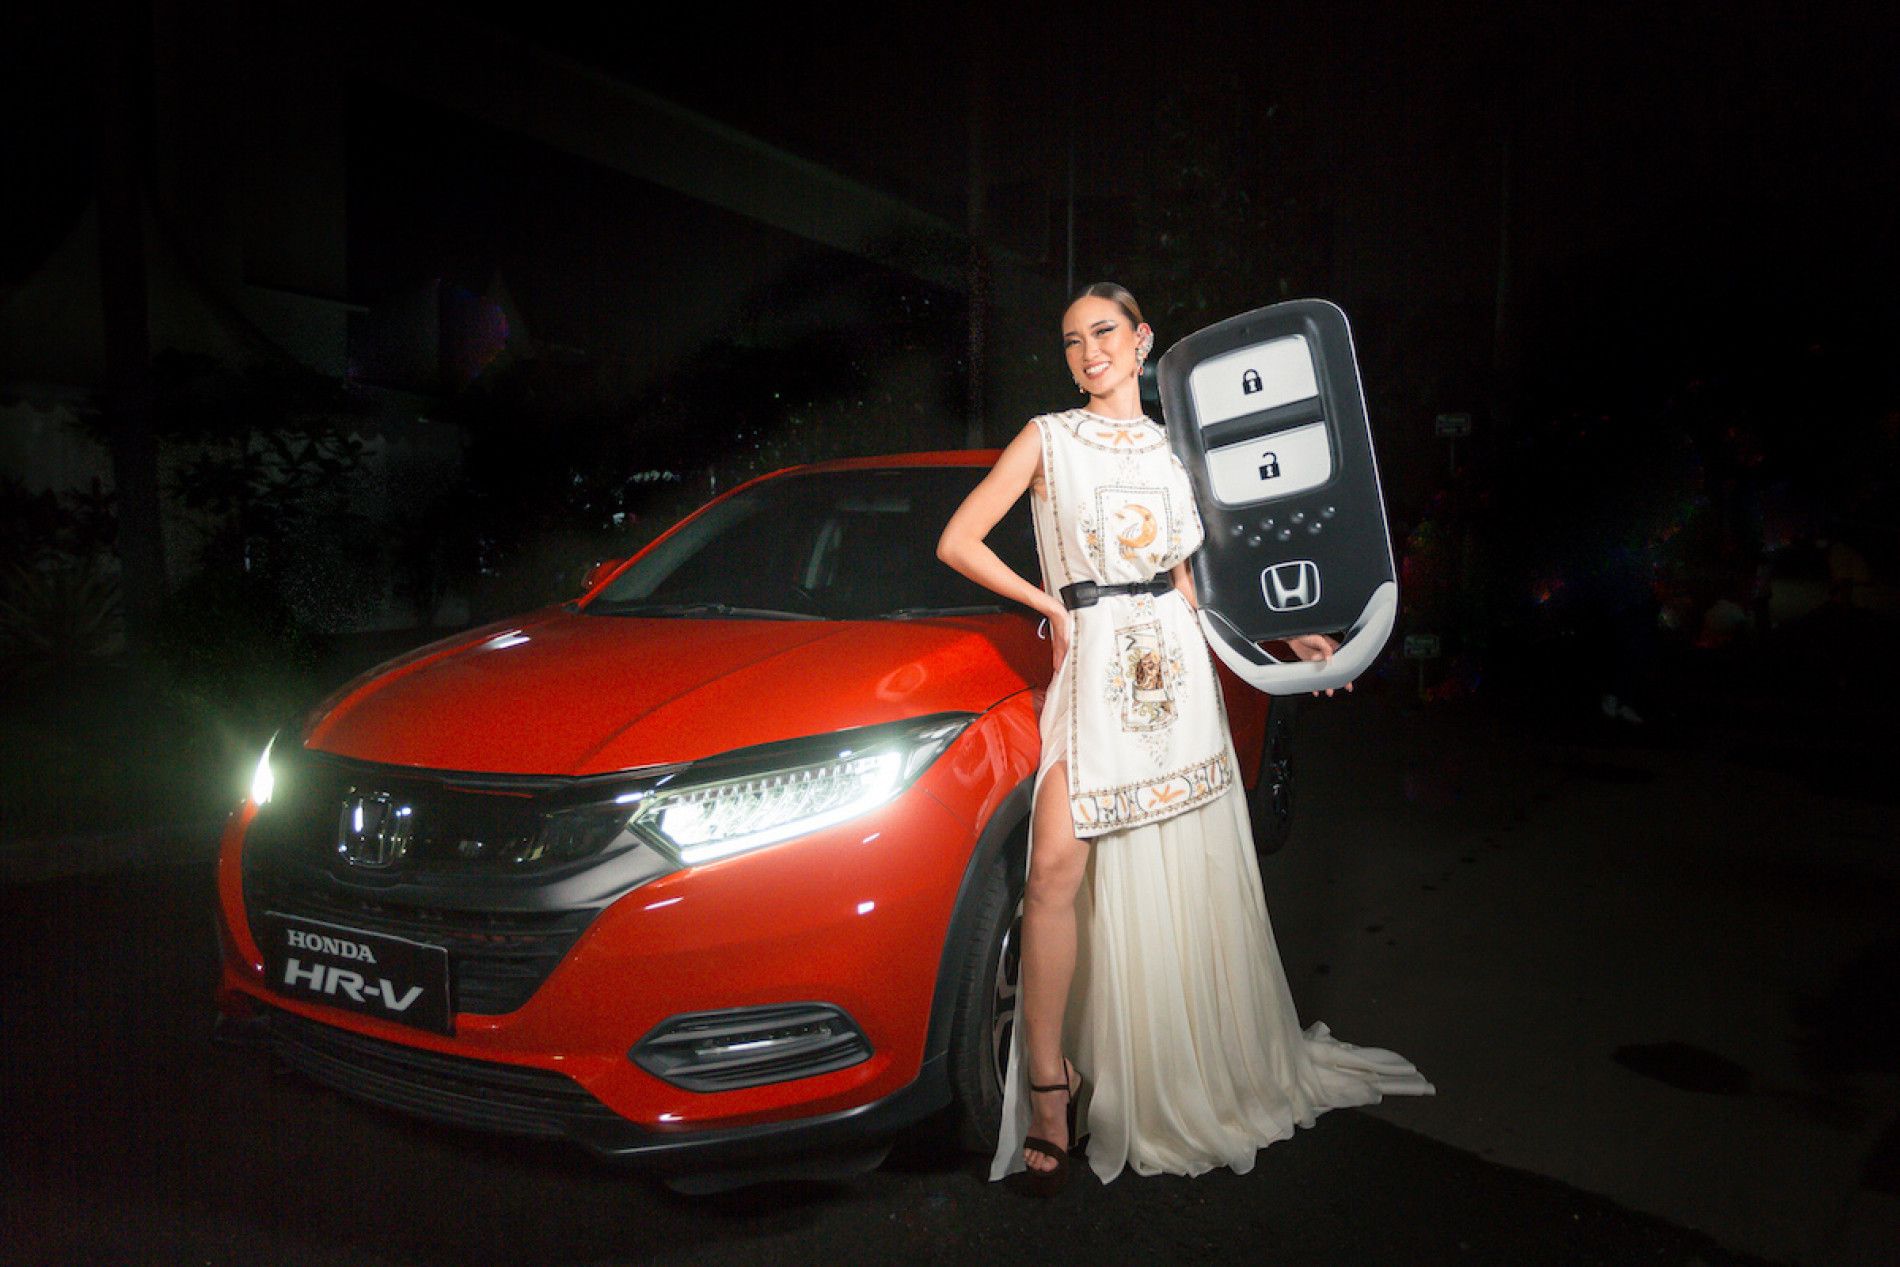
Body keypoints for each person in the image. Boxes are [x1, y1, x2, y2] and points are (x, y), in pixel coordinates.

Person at [936, 282, 1434, 1193]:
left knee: (1181, 859)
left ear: (1141, 341)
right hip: (1095, 663)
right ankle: (1048, 1086)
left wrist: (1293, 636)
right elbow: (959, 539)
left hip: (1176, 665)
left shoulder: (1180, 446)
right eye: (1072, 340)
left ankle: (1186, 1063)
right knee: (1054, 869)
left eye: (1104, 332)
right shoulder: (1048, 438)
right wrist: (1051, 604)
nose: (1089, 351)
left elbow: (1195, 578)